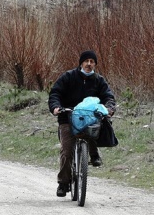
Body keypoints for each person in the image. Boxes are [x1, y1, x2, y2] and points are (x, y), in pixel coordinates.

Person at [48, 50, 116, 197]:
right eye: (87, 61)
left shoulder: (99, 80)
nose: (89, 64)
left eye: (92, 62)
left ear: (95, 65)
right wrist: (55, 107)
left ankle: (93, 154)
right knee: (66, 151)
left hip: (89, 118)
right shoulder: (68, 77)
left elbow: (108, 96)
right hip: (67, 117)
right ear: (81, 63)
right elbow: (55, 93)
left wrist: (109, 108)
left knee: (93, 130)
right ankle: (63, 183)